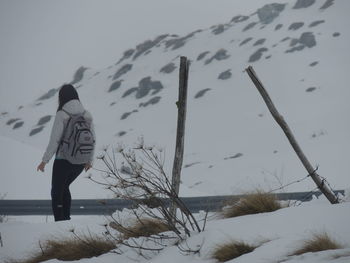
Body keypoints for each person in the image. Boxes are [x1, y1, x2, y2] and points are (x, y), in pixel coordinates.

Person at [37, 84, 95, 221]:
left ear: (62, 97)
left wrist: (44, 161)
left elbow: (54, 140)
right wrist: (89, 160)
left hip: (63, 160)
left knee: (57, 191)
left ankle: (60, 221)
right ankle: (66, 220)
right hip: (81, 162)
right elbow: (93, 139)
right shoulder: (87, 114)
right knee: (64, 187)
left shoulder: (62, 114)